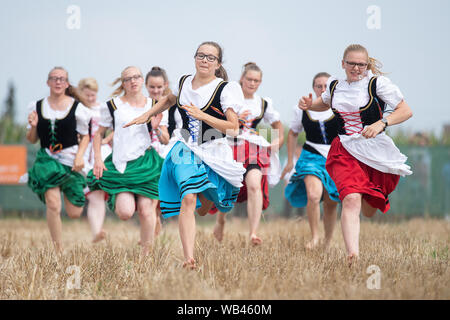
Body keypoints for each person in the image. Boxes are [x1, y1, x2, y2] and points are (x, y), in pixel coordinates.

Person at [124, 41, 246, 269]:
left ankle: (206, 198)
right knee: (188, 197)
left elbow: (234, 128)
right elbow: (172, 99)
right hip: (186, 147)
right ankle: (189, 257)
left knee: (203, 207)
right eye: (201, 55)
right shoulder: (185, 81)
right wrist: (148, 114)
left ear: (218, 63)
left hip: (214, 148)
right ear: (195, 58)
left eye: (211, 57)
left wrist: (202, 115)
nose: (204, 60)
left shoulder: (226, 89)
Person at [299, 44, 413, 264]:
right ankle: (353, 254)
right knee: (351, 199)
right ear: (343, 63)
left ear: (366, 65)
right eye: (351, 63)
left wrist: (382, 123)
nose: (356, 68)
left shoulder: (376, 84)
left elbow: (406, 110)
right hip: (345, 149)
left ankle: (371, 203)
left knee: (369, 209)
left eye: (361, 64)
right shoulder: (334, 84)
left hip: (375, 150)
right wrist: (309, 105)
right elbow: (324, 103)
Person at [87, 66, 165, 256]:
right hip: (122, 164)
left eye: (137, 77)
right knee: (125, 212)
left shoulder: (154, 104)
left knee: (146, 210)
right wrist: (98, 158)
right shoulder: (112, 106)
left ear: (141, 80)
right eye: (128, 78)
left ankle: (147, 255)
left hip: (147, 164)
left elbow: (165, 139)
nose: (133, 81)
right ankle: (140, 207)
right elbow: (99, 134)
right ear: (123, 83)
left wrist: (156, 129)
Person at [212, 62, 284, 245]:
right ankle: (221, 219)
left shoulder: (263, 103)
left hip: (253, 148)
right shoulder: (229, 97)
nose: (252, 83)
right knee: (228, 187)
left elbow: (277, 124)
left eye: (256, 81)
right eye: (249, 79)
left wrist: (278, 140)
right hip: (229, 146)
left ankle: (253, 232)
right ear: (242, 79)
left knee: (254, 184)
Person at [26, 66, 92, 253]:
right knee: (53, 203)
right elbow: (32, 139)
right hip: (47, 160)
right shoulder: (37, 107)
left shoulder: (77, 108)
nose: (57, 82)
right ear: (48, 82)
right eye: (54, 78)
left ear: (67, 83)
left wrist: (80, 156)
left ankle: (69, 189)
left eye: (61, 79)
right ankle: (58, 250)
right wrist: (33, 127)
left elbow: (85, 136)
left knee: (74, 213)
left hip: (70, 160)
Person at [282, 72, 339, 249]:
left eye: (326, 86)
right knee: (313, 195)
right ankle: (315, 237)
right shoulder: (302, 108)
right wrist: (291, 160)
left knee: (330, 201)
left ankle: (327, 241)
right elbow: (293, 132)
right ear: (313, 88)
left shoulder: (340, 107)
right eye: (318, 86)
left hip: (335, 157)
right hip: (310, 156)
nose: (322, 89)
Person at [78, 77, 113, 243]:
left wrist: (106, 140)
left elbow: (115, 128)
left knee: (99, 194)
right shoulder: (77, 110)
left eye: (92, 95)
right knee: (92, 195)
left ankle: (97, 231)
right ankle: (96, 231)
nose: (90, 98)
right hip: (84, 155)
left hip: (101, 153)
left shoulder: (103, 109)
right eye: (87, 95)